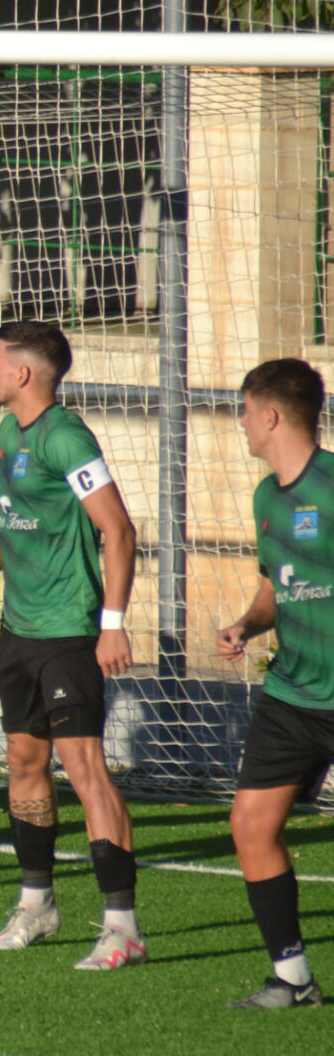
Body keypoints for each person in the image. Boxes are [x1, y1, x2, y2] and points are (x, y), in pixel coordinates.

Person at [0, 320, 143, 970]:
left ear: (24, 373)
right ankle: (37, 902)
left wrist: (113, 621)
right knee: (23, 765)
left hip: (69, 632)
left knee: (86, 769)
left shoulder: (67, 437)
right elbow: (11, 519)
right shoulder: (8, 432)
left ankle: (122, 924)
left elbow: (117, 529)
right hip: (19, 634)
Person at [216, 357, 333, 1009]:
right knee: (250, 823)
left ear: (271, 414)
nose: (241, 423)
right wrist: (247, 623)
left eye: (244, 409)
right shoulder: (266, 497)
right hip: (291, 693)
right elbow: (275, 585)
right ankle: (292, 977)